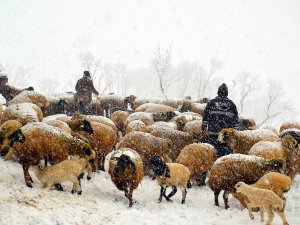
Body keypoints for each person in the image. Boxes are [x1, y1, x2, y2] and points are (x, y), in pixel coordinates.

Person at [200, 83, 239, 158]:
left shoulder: (211, 103)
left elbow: (205, 120)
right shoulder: (232, 105)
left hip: (212, 135)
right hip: (226, 137)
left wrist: (204, 130)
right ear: (227, 93)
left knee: (211, 156)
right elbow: (236, 123)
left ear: (218, 92)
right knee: (224, 158)